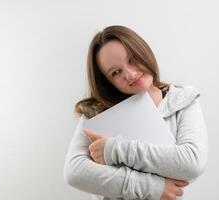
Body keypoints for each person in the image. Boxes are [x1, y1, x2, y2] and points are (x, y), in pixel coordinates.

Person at [63, 25, 208, 200]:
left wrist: (113, 149)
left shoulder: (183, 100)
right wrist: (152, 187)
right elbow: (75, 171)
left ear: (143, 50)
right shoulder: (97, 111)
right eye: (116, 72)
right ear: (108, 82)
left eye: (132, 59)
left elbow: (192, 163)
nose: (130, 74)